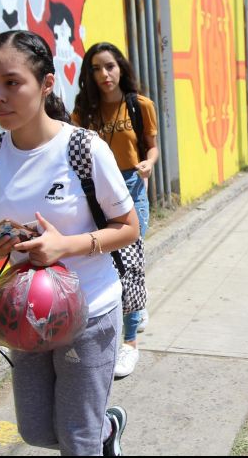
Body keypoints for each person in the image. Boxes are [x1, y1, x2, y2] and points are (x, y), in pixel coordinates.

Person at [0, 30, 135, 455]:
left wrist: (66, 247)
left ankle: (96, 436)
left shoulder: (82, 148)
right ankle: (107, 428)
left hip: (91, 310)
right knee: (37, 432)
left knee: (78, 441)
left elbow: (128, 227)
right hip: (24, 316)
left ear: (45, 84)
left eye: (12, 82)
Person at [72, 42, 159, 379]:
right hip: (97, 192)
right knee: (110, 263)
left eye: (109, 66)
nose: (104, 74)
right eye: (96, 68)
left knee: (130, 262)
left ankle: (130, 341)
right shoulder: (84, 111)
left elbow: (152, 148)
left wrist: (147, 165)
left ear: (121, 67)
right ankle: (133, 311)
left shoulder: (140, 105)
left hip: (133, 188)